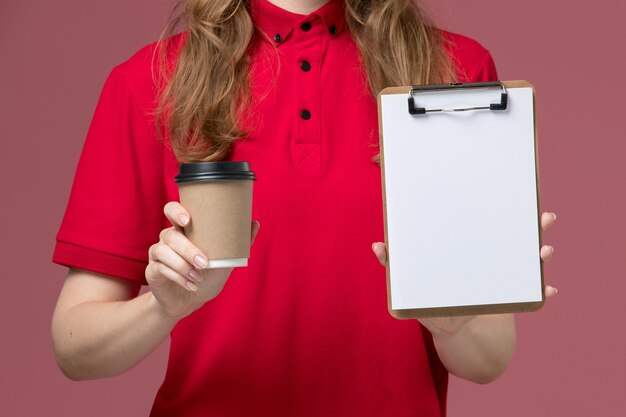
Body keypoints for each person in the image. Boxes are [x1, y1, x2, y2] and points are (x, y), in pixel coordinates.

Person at [51, 0, 558, 416]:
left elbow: (490, 358)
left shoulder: (455, 73)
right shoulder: (149, 80)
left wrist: (454, 324)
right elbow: (75, 347)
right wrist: (162, 308)